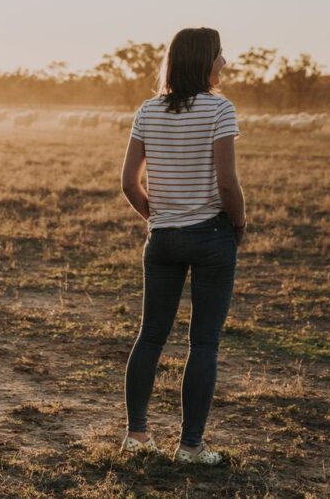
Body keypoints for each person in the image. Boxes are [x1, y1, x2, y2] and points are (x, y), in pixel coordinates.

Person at [118, 27, 246, 464]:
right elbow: (228, 183)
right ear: (204, 61)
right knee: (204, 343)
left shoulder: (148, 111)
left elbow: (127, 183)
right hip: (211, 236)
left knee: (150, 336)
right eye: (220, 55)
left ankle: (136, 437)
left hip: (164, 240)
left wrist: (157, 217)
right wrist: (240, 223)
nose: (224, 63)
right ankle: (191, 446)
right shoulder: (220, 110)